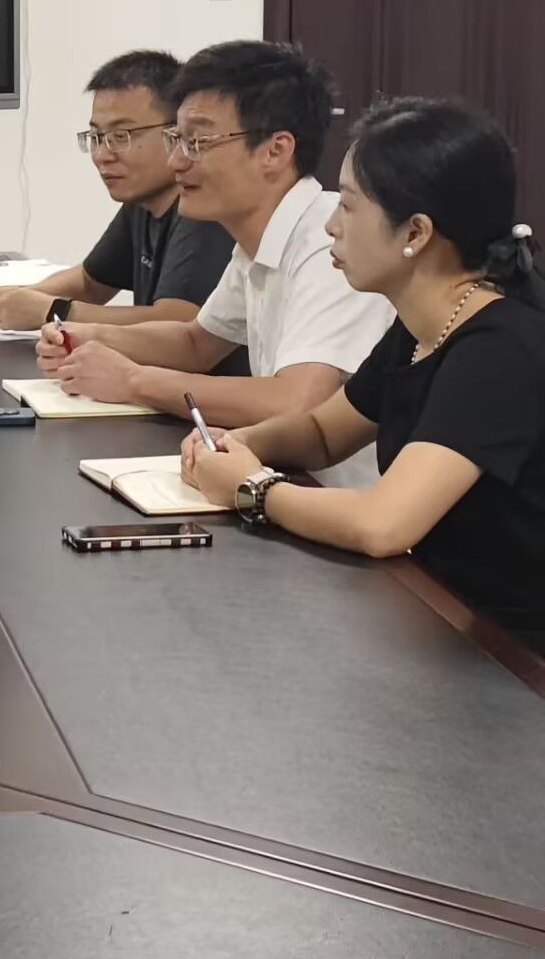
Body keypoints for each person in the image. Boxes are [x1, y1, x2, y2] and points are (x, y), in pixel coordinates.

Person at [182, 100, 545, 646]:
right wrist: (242, 443)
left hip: (508, 659)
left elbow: (384, 524)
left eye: (349, 207)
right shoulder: (423, 324)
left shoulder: (499, 351)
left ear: (416, 232)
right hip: (434, 616)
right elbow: (324, 433)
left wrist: (253, 488)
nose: (331, 225)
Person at [35, 41, 395, 481]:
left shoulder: (329, 244)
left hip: (334, 500)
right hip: (277, 480)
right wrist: (89, 336)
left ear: (275, 150)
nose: (176, 161)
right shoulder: (256, 240)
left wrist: (132, 380)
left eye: (197, 142)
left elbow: (299, 402)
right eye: (177, 140)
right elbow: (196, 342)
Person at [0, 50, 237, 335]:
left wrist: (54, 311)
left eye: (121, 136)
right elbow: (90, 282)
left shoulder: (204, 207)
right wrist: (12, 299)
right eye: (97, 137)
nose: (101, 155)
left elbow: (178, 322)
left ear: (177, 132)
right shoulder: (143, 201)